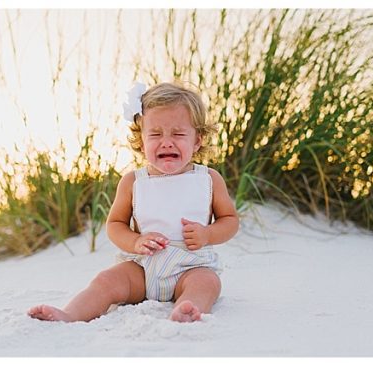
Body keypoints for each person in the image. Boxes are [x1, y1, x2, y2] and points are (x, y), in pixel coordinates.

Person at [29, 82, 239, 323]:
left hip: (190, 265)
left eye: (178, 134)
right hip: (142, 267)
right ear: (141, 142)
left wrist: (207, 234)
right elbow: (115, 224)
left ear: (197, 141)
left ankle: (186, 310)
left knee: (207, 283)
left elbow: (230, 220)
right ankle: (69, 314)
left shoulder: (208, 179)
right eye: (156, 134)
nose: (167, 142)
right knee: (106, 281)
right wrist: (135, 240)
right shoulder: (133, 182)